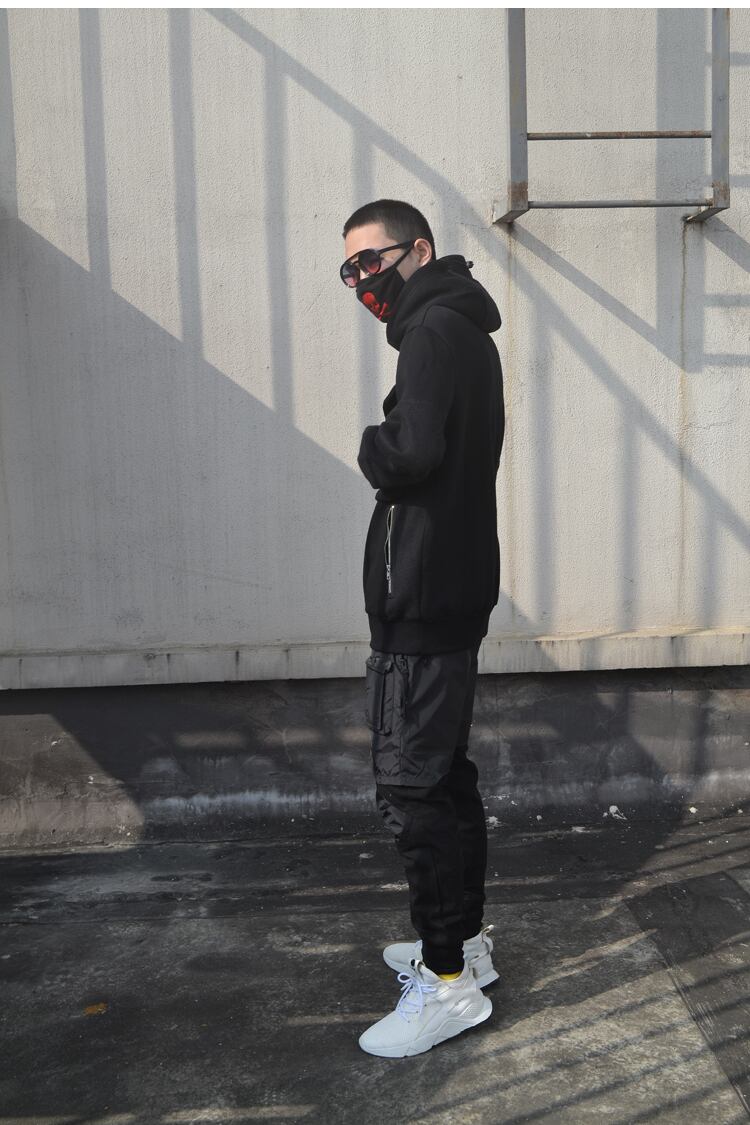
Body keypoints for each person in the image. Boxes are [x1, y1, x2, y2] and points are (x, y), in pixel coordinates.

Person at [340, 199, 505, 1057]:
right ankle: (464, 947)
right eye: (350, 269)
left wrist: (370, 441)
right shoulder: (460, 330)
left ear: (420, 250)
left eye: (372, 260)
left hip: (426, 594)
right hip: (450, 586)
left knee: (411, 788)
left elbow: (406, 452)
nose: (362, 279)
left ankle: (446, 982)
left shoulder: (433, 334)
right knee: (443, 777)